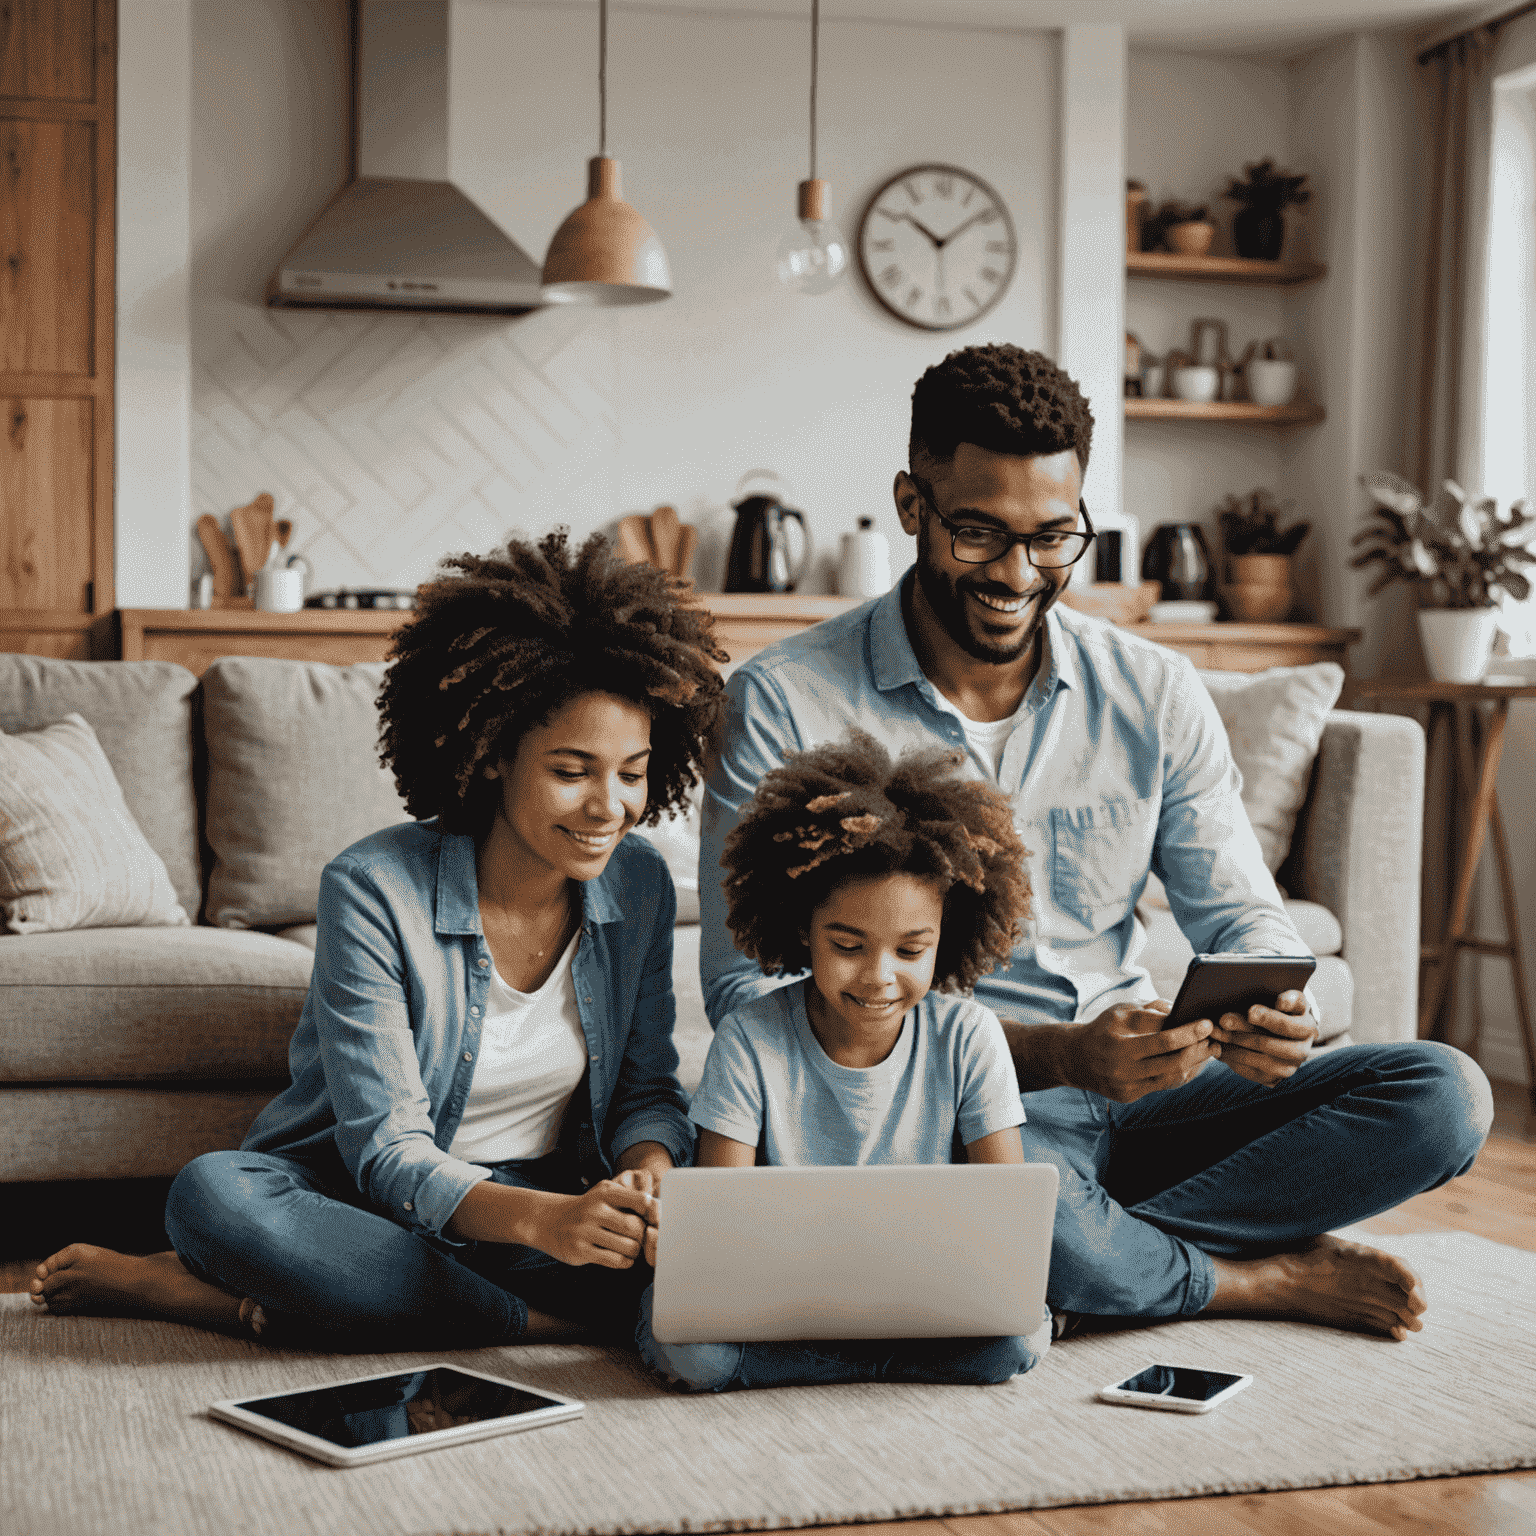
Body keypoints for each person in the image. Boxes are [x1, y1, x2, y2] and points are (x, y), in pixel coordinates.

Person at [700, 343, 1494, 1342]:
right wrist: (1055, 1056)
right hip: (956, 1116)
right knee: (1022, 1196)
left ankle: (1080, 1265)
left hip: (1149, 1087)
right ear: (913, 505)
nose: (1018, 575)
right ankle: (1240, 1277)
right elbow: (745, 994)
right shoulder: (785, 700)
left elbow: (1240, 910)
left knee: (1443, 1096)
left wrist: (1267, 1002)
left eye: (1053, 538)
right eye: (979, 533)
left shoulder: (1153, 691)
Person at [30, 531, 725, 1347]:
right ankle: (529, 1326)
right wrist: (548, 1225)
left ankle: (279, 1302)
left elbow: (646, 1089)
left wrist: (647, 1181)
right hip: (359, 1203)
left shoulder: (636, 884)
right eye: (572, 771)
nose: (610, 806)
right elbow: (387, 1151)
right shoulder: (371, 888)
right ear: (495, 752)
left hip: (537, 1201)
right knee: (212, 1196)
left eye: (633, 772)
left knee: (703, 1267)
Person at [639, 731, 1050, 1391]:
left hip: (919, 1301)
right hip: (771, 1301)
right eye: (848, 944)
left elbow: (1008, 1228)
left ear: (948, 939)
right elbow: (720, 1237)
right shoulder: (750, 1038)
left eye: (911, 950)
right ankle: (882, 1364)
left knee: (1019, 1339)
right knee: (697, 1352)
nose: (879, 978)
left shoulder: (970, 1036)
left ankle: (829, 1365)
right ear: (803, 927)